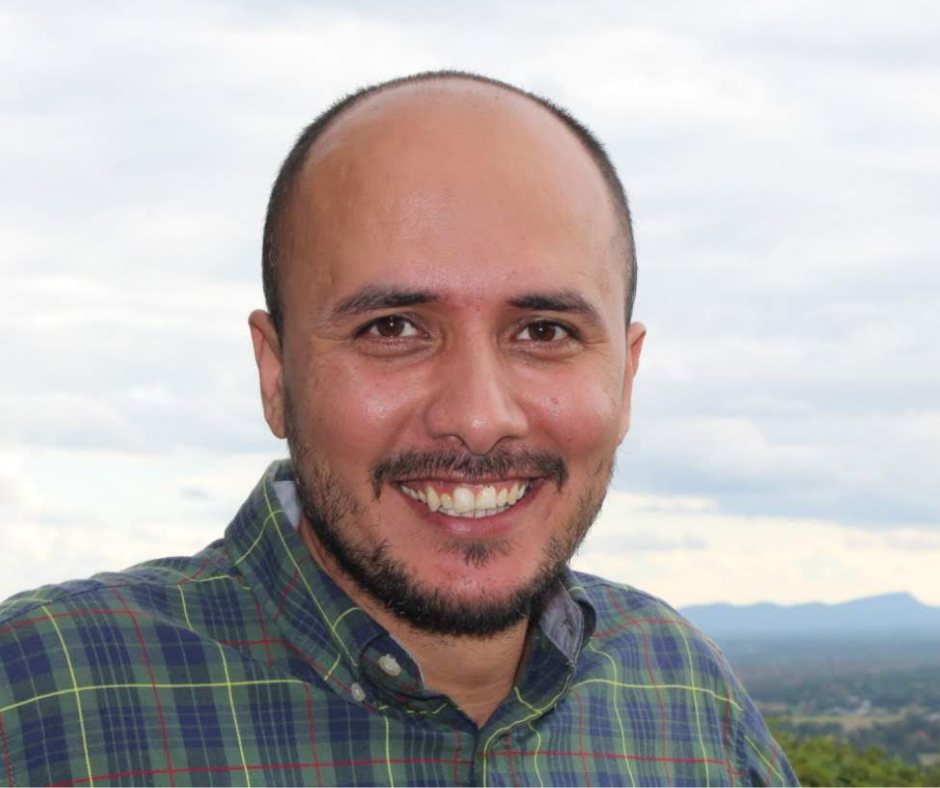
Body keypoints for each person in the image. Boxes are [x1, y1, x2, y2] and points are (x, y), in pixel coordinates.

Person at [0, 71, 797, 787]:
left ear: (625, 377)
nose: (479, 418)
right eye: (393, 329)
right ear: (276, 375)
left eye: (544, 331)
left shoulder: (689, 705)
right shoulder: (40, 699)